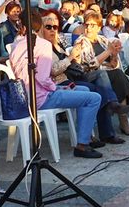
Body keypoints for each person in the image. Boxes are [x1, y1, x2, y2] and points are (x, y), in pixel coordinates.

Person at [10, 13, 107, 158]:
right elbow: (43, 78)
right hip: (41, 98)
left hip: (28, 95)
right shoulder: (43, 45)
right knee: (94, 98)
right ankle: (82, 145)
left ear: (22, 26)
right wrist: (56, 88)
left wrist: (58, 87)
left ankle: (84, 136)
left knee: (84, 89)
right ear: (40, 27)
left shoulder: (17, 46)